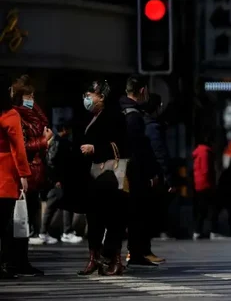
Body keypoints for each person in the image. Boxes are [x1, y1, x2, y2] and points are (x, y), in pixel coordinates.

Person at [77, 79, 130, 276]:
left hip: (110, 176)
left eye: (90, 95)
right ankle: (94, 258)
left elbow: (123, 146)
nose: (87, 98)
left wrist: (96, 148)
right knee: (94, 219)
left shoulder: (114, 115)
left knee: (113, 218)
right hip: (94, 177)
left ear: (101, 97)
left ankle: (115, 260)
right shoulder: (89, 116)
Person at [9, 75, 50, 275]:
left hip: (33, 173)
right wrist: (43, 142)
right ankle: (16, 261)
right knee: (19, 221)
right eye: (28, 95)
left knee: (25, 220)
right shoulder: (16, 116)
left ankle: (21, 261)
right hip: (24, 174)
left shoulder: (32, 114)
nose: (32, 98)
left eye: (33, 95)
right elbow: (21, 147)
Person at [120, 76, 161, 266]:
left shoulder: (118, 110)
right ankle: (134, 254)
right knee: (136, 213)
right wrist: (151, 172)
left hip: (117, 168)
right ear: (143, 91)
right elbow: (140, 147)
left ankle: (130, 254)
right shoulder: (134, 115)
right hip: (133, 171)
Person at [0, 73, 32, 279]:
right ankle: (4, 264)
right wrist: (24, 174)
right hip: (5, 176)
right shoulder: (10, 114)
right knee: (4, 225)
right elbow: (18, 148)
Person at [40, 123, 83, 245]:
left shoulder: (60, 142)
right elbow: (52, 161)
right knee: (52, 205)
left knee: (61, 205)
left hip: (61, 180)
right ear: (64, 129)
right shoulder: (60, 142)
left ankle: (65, 231)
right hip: (59, 181)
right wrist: (56, 179)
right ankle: (49, 232)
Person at [143, 93, 174, 241]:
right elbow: (160, 154)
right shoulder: (153, 128)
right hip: (153, 175)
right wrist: (168, 178)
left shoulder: (142, 123)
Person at [192, 136, 216, 240]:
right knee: (210, 209)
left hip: (198, 185)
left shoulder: (198, 152)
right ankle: (211, 231)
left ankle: (198, 231)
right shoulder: (205, 152)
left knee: (201, 210)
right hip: (206, 185)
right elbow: (206, 170)